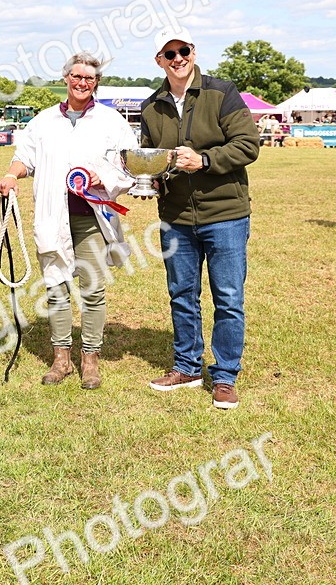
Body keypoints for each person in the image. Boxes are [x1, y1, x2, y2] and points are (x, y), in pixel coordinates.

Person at [0, 54, 137, 389]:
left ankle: (90, 360)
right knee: (56, 287)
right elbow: (24, 158)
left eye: (89, 78)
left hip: (93, 218)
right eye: (76, 76)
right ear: (66, 79)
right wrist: (11, 175)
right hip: (52, 216)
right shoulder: (43, 121)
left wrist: (98, 174)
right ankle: (61, 359)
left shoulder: (111, 120)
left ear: (96, 82)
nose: (82, 82)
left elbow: (126, 162)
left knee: (92, 289)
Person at [140, 27, 260, 410]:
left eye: (184, 51)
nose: (178, 59)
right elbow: (149, 157)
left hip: (225, 214)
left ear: (194, 52)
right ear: (159, 60)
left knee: (228, 297)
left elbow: (247, 145)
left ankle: (224, 376)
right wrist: (150, 180)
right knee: (182, 295)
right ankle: (188, 366)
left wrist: (205, 160)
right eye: (169, 54)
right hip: (175, 217)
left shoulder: (221, 92)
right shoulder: (150, 105)